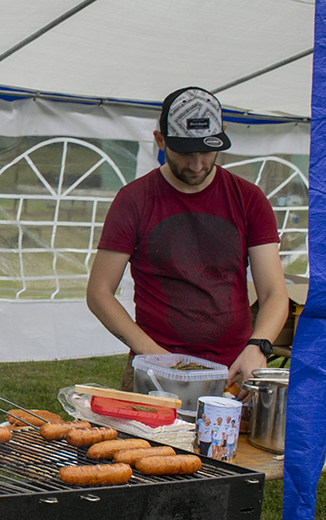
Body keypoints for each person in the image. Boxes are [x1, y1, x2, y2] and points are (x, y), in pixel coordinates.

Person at [86, 86, 289, 393]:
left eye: (206, 151)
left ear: (222, 136)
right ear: (160, 140)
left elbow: (274, 292)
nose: (196, 165)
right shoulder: (134, 200)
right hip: (154, 369)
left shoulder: (249, 199)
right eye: (184, 152)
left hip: (232, 371)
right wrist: (153, 354)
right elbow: (99, 292)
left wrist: (258, 346)